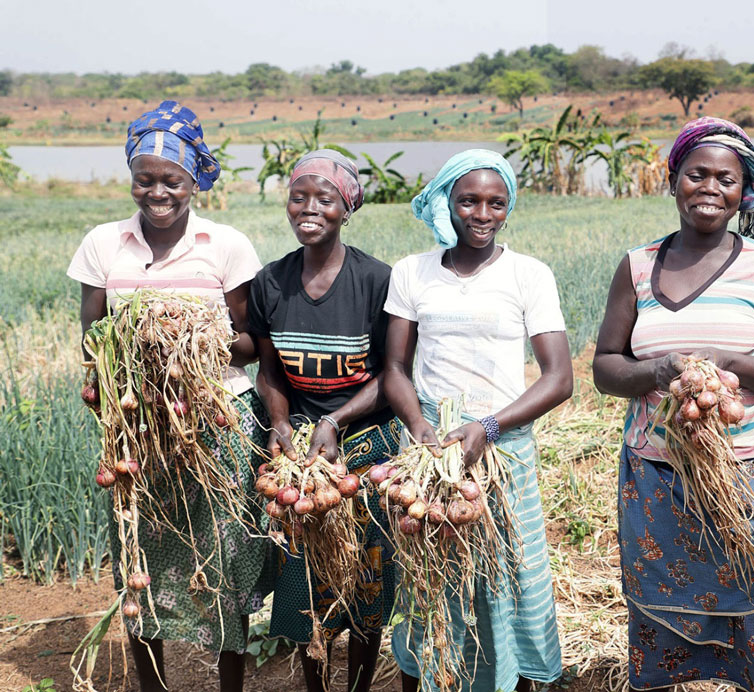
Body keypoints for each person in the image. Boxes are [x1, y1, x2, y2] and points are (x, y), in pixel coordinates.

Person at [592, 116, 754, 691]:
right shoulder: (637, 266)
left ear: (744, 193)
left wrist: (728, 363)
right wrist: (656, 372)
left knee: (752, 593)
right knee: (657, 601)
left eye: (726, 179)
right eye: (696, 175)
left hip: (748, 471)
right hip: (656, 471)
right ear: (672, 181)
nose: (710, 188)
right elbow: (605, 367)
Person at [67, 100, 268, 692]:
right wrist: (110, 372)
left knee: (222, 558)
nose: (157, 192)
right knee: (140, 560)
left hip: (216, 419)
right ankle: (151, 684)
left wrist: (188, 348)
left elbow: (252, 340)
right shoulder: (103, 243)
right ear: (132, 179)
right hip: (138, 430)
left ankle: (228, 680)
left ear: (193, 180)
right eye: (144, 179)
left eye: (171, 180)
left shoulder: (225, 244)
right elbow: (93, 332)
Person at [382, 149, 573, 692]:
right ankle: (431, 674)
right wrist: (419, 427)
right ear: (448, 202)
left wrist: (488, 428)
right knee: (427, 572)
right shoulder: (413, 271)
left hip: (501, 447)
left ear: (508, 207)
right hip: (429, 447)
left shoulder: (528, 274)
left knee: (507, 578)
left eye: (496, 202)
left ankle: (510, 681)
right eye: (468, 201)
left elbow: (559, 378)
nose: (482, 214)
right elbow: (395, 367)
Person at [248, 149, 400, 692]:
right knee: (302, 576)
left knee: (365, 578)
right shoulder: (270, 282)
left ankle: (357, 686)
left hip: (365, 445)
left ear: (347, 207)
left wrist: (334, 420)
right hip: (299, 456)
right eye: (298, 196)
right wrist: (280, 420)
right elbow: (269, 370)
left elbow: (392, 375)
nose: (309, 208)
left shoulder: (377, 280)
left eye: (325, 199)